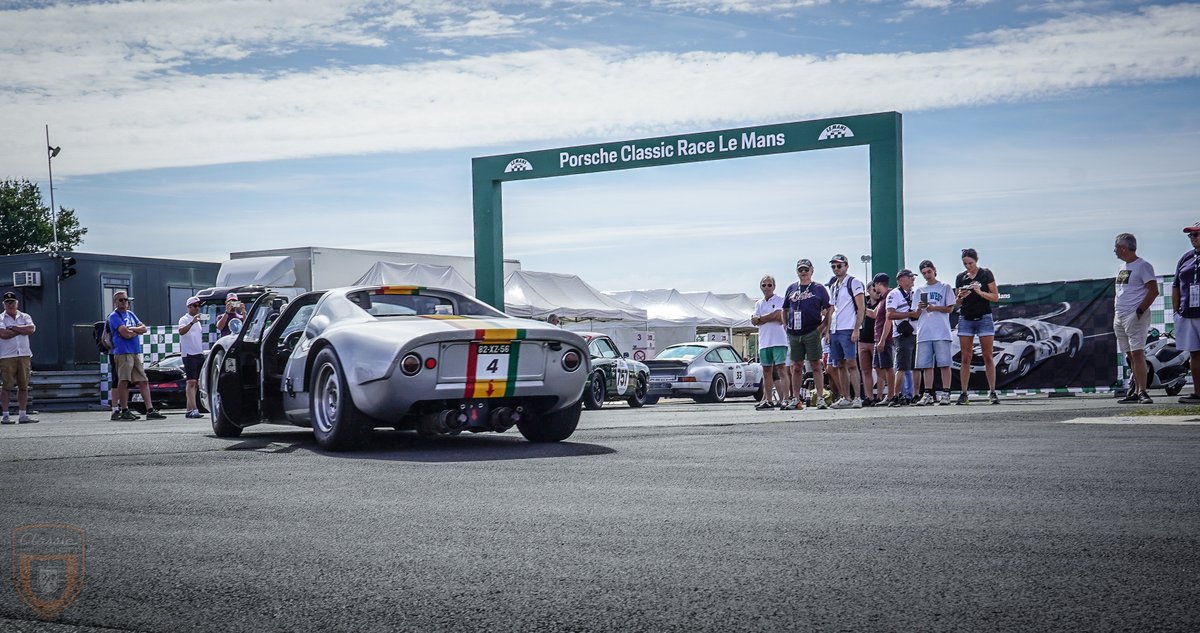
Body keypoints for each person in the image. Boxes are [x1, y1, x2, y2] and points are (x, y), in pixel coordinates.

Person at [1113, 233, 1158, 404]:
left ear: (1123, 248)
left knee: (1138, 353)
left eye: (1116, 247)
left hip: (1134, 315)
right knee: (1129, 355)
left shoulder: (1143, 266)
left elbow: (1153, 290)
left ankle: (1143, 392)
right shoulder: (1122, 267)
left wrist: (1139, 311)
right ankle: (1135, 389)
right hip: (1120, 315)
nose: (1114, 251)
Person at [107, 290, 166, 421]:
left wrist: (132, 330)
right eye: (121, 300)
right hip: (123, 352)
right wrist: (136, 331)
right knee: (123, 381)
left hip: (134, 351)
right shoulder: (114, 316)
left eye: (126, 299)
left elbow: (143, 328)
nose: (124, 302)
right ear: (115, 302)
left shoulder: (131, 314)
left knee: (143, 380)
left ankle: (150, 409)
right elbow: (124, 334)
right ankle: (124, 409)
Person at [954, 248, 1001, 405]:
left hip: (984, 317)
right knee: (966, 357)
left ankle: (993, 391)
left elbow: (995, 297)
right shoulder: (961, 278)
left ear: (976, 260)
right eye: (965, 264)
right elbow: (957, 302)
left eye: (971, 263)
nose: (968, 266)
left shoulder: (986, 274)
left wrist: (980, 292)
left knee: (988, 356)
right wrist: (961, 296)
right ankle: (964, 393)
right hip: (966, 318)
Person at [783, 259, 831, 410]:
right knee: (796, 366)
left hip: (812, 331)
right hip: (795, 333)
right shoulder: (791, 288)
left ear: (812, 271)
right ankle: (796, 398)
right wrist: (785, 325)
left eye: (806, 270)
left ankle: (821, 397)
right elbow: (784, 309)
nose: (803, 273)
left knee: (816, 364)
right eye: (801, 270)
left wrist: (823, 327)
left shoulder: (819, 288)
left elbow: (829, 309)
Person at [825, 254, 866, 408]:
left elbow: (861, 307)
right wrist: (828, 331)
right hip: (836, 328)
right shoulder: (834, 285)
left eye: (839, 266)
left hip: (848, 327)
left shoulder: (853, 282)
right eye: (834, 266)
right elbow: (831, 309)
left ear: (846, 266)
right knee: (839, 364)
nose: (836, 269)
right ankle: (846, 396)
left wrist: (856, 328)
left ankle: (857, 397)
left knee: (851, 363)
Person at [913, 260, 955, 406]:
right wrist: (919, 308)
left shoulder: (945, 287)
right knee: (926, 365)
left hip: (941, 331)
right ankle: (928, 393)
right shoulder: (919, 290)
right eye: (924, 273)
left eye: (929, 272)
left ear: (934, 270)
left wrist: (934, 308)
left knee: (944, 364)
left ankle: (946, 392)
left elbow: (950, 308)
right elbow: (915, 314)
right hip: (924, 331)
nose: (927, 275)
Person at [752, 275, 793, 409]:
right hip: (764, 341)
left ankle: (786, 398)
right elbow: (754, 320)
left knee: (781, 369)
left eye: (769, 285)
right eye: (764, 285)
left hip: (779, 340)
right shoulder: (759, 303)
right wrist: (767, 318)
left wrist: (761, 319)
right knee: (766, 371)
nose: (767, 288)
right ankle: (768, 399)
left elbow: (779, 316)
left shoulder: (780, 300)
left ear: (774, 286)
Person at [1172, 223, 1200, 404]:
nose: (1193, 238)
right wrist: (1176, 311)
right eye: (1190, 236)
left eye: (1196, 235)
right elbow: (1175, 286)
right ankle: (1198, 392)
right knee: (1195, 354)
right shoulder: (1186, 258)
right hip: (1188, 312)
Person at [0, 292, 38, 424]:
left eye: (12, 302)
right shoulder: (1, 318)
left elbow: (31, 329)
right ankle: (5, 415)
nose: (10, 305)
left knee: (24, 386)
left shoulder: (25, 316)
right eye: (8, 302)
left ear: (17, 303)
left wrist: (14, 328)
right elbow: (3, 334)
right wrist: (21, 330)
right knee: (6, 386)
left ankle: (23, 414)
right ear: (4, 305)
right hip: (6, 356)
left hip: (24, 355)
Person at [886, 269, 919, 406]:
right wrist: (909, 314)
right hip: (902, 335)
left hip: (916, 333)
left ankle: (915, 395)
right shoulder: (894, 294)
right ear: (901, 280)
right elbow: (890, 315)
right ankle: (896, 395)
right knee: (901, 367)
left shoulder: (914, 293)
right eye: (910, 277)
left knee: (916, 367)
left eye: (913, 277)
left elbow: (918, 313)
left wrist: (919, 312)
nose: (912, 279)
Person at [178, 296, 206, 419]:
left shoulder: (198, 321)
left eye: (199, 305)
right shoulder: (184, 319)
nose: (197, 308)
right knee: (191, 382)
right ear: (189, 307)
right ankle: (193, 409)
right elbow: (181, 331)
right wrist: (191, 322)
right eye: (195, 305)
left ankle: (190, 409)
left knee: (197, 383)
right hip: (189, 354)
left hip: (198, 353)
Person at [869, 273, 894, 407]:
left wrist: (883, 340)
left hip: (885, 338)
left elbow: (888, 320)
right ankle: (892, 390)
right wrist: (860, 307)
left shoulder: (890, 296)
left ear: (879, 284)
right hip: (877, 337)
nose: (874, 288)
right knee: (877, 367)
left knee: (887, 367)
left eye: (875, 285)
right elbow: (873, 314)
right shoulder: (882, 299)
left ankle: (892, 394)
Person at [857, 276, 881, 406]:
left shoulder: (882, 302)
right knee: (865, 370)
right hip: (863, 339)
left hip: (876, 339)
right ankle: (869, 396)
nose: (877, 292)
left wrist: (862, 309)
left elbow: (874, 314)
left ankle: (880, 396)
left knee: (879, 368)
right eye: (874, 289)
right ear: (868, 290)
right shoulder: (863, 302)